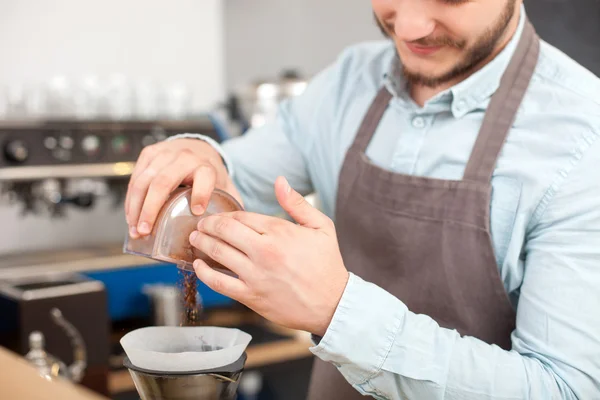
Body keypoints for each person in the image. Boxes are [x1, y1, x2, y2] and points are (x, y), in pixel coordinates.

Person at [125, 0, 600, 398]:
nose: (409, 26)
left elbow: (565, 389)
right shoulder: (350, 79)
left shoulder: (581, 137)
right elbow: (235, 177)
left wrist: (337, 312)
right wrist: (198, 155)